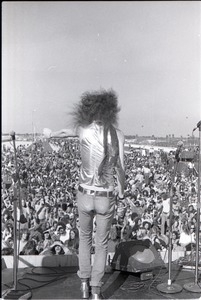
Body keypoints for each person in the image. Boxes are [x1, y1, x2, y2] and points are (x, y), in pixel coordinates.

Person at [43, 89, 125, 299]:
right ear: (110, 110)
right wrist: (122, 191)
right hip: (106, 196)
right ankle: (97, 289)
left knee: (85, 239)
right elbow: (121, 169)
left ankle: (83, 283)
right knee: (102, 244)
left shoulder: (82, 129)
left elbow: (62, 133)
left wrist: (48, 134)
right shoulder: (118, 134)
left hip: (85, 194)